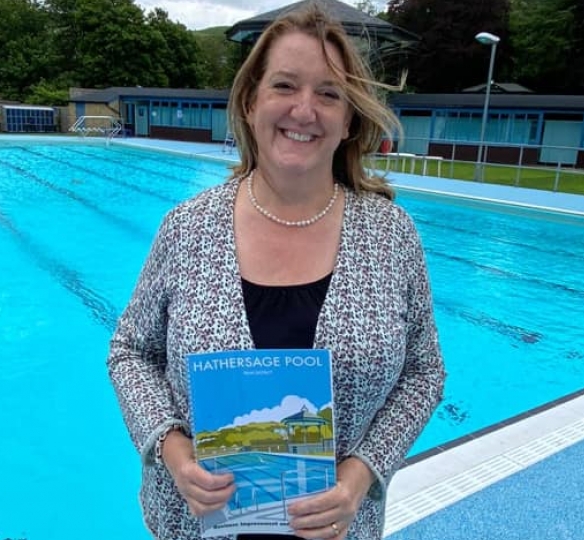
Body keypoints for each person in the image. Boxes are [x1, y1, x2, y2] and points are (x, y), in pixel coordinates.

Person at [106, 3, 446, 540]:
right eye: (285, 86)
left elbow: (424, 373)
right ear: (250, 102)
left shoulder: (391, 234)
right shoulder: (187, 228)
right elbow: (129, 352)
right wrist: (173, 451)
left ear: (350, 118)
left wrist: (360, 478)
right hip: (194, 525)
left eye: (329, 94)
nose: (304, 110)